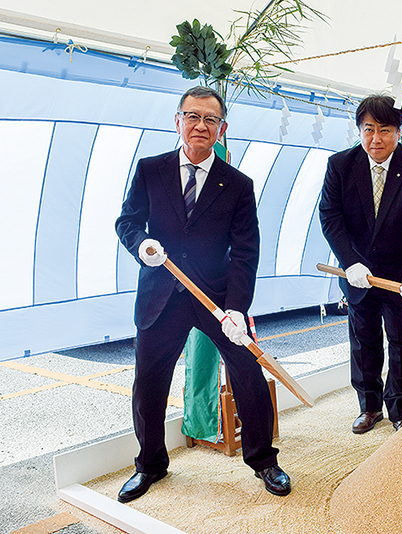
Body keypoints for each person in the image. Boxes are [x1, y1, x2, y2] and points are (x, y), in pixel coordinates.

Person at [115, 86, 290, 502]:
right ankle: (150, 464)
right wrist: (142, 246)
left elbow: (247, 251)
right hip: (162, 295)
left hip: (217, 298)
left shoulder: (238, 184)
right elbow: (127, 221)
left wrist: (235, 308)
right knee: (150, 383)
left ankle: (264, 460)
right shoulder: (150, 170)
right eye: (192, 116)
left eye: (210, 119)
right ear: (177, 121)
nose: (200, 126)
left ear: (222, 128)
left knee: (248, 373)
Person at [319, 94, 402, 434]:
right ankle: (369, 407)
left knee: (401, 340)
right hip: (358, 275)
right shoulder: (340, 166)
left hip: (401, 275)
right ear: (359, 130)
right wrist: (351, 262)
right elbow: (330, 216)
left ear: (398, 131)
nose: (376, 139)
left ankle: (400, 407)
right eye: (368, 129)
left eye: (384, 129)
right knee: (363, 340)